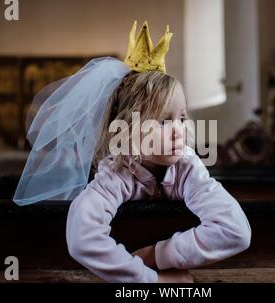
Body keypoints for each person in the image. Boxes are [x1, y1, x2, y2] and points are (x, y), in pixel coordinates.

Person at [14, 21, 251, 283]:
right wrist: (150, 280)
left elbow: (235, 230)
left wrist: (158, 255)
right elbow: (83, 238)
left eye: (182, 118)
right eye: (162, 121)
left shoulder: (186, 166)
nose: (178, 131)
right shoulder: (117, 172)